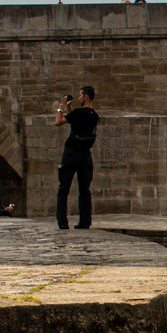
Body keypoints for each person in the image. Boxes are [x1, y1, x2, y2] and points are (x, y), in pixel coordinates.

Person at [55, 85, 98, 230]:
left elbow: (58, 122)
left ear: (86, 96)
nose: (79, 97)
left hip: (71, 153)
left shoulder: (78, 112)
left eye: (80, 95)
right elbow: (77, 122)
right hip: (85, 155)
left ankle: (62, 221)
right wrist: (69, 109)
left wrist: (61, 107)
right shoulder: (94, 115)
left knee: (64, 188)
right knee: (84, 189)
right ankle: (85, 221)